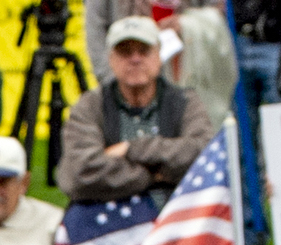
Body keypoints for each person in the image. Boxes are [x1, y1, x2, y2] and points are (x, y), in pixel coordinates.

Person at [61, 13, 218, 211]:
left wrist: (130, 149)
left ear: (159, 56)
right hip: (108, 223)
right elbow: (80, 172)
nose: (135, 59)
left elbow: (201, 152)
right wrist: (154, 175)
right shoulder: (90, 105)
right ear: (111, 59)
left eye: (144, 51)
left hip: (174, 218)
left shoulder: (186, 101)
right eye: (125, 52)